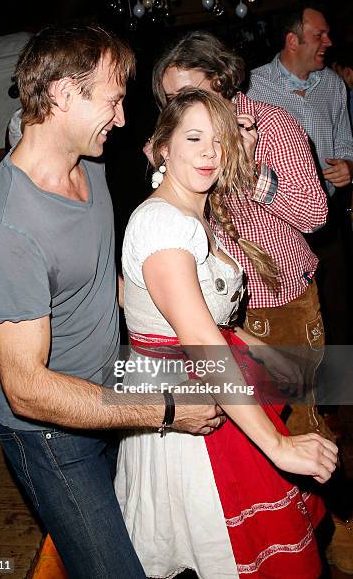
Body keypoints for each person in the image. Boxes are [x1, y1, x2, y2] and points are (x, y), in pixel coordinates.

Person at [0, 25, 226, 579]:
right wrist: (165, 412)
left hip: (110, 387)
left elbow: (102, 283)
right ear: (62, 94)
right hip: (52, 438)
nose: (122, 117)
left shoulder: (89, 163)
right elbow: (27, 390)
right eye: (112, 100)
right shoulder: (7, 229)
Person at [115, 88, 338, 578]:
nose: (209, 152)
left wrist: (276, 356)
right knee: (225, 556)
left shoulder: (195, 216)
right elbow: (200, 339)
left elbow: (217, 322)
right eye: (193, 137)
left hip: (212, 385)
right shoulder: (160, 226)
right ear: (161, 148)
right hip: (190, 410)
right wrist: (277, 445)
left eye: (219, 140)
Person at [148, 30, 330, 436]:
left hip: (281, 302)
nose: (181, 107)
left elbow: (316, 214)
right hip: (220, 310)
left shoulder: (272, 124)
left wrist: (249, 175)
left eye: (189, 93)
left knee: (299, 426)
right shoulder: (189, 136)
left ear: (221, 78)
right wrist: (163, 170)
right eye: (171, 100)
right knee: (246, 432)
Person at [247, 5, 353, 346]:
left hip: (327, 220)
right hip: (276, 222)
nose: (328, 42)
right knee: (292, 313)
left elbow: (345, 139)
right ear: (293, 41)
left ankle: (336, 388)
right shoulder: (253, 85)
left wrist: (350, 165)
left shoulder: (334, 84)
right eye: (318, 35)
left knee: (336, 304)